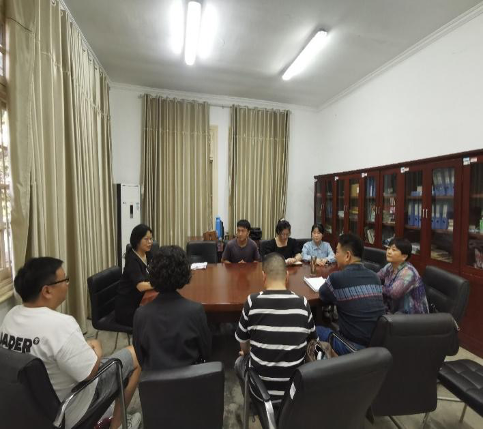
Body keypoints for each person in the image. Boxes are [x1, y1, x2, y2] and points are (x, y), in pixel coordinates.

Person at [0, 257, 141, 429]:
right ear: (47, 291)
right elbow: (91, 372)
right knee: (135, 355)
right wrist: (96, 347)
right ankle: (117, 425)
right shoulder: (61, 325)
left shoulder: (10, 317)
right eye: (64, 280)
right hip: (66, 410)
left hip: (30, 408)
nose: (67, 284)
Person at [234, 253, 317, 402]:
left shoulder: (252, 302)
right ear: (287, 276)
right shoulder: (303, 303)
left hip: (261, 391)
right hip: (295, 391)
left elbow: (243, 344)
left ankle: (253, 405)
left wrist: (248, 351)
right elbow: (312, 342)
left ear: (263, 276)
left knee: (239, 362)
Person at [133, 245, 211, 370]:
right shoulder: (196, 311)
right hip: (190, 378)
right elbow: (206, 351)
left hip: (154, 380)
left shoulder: (140, 314)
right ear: (184, 273)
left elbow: (141, 357)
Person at [316, 233, 385, 355]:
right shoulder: (375, 277)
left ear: (347, 255)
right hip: (378, 346)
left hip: (353, 349)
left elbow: (323, 295)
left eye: (337, 252)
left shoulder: (337, 278)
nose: (335, 256)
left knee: (315, 329)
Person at [115, 224, 154, 327]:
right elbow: (141, 286)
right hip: (128, 309)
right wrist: (161, 283)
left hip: (140, 301)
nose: (150, 242)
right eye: (146, 239)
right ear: (137, 240)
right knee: (156, 319)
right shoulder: (132, 260)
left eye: (151, 239)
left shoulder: (148, 254)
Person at [377, 237, 429, 314]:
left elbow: (394, 293)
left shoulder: (408, 272)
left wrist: (374, 287)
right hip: (394, 310)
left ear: (404, 256)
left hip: (411, 315)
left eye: (394, 250)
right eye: (388, 248)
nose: (389, 252)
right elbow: (376, 277)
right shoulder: (389, 266)